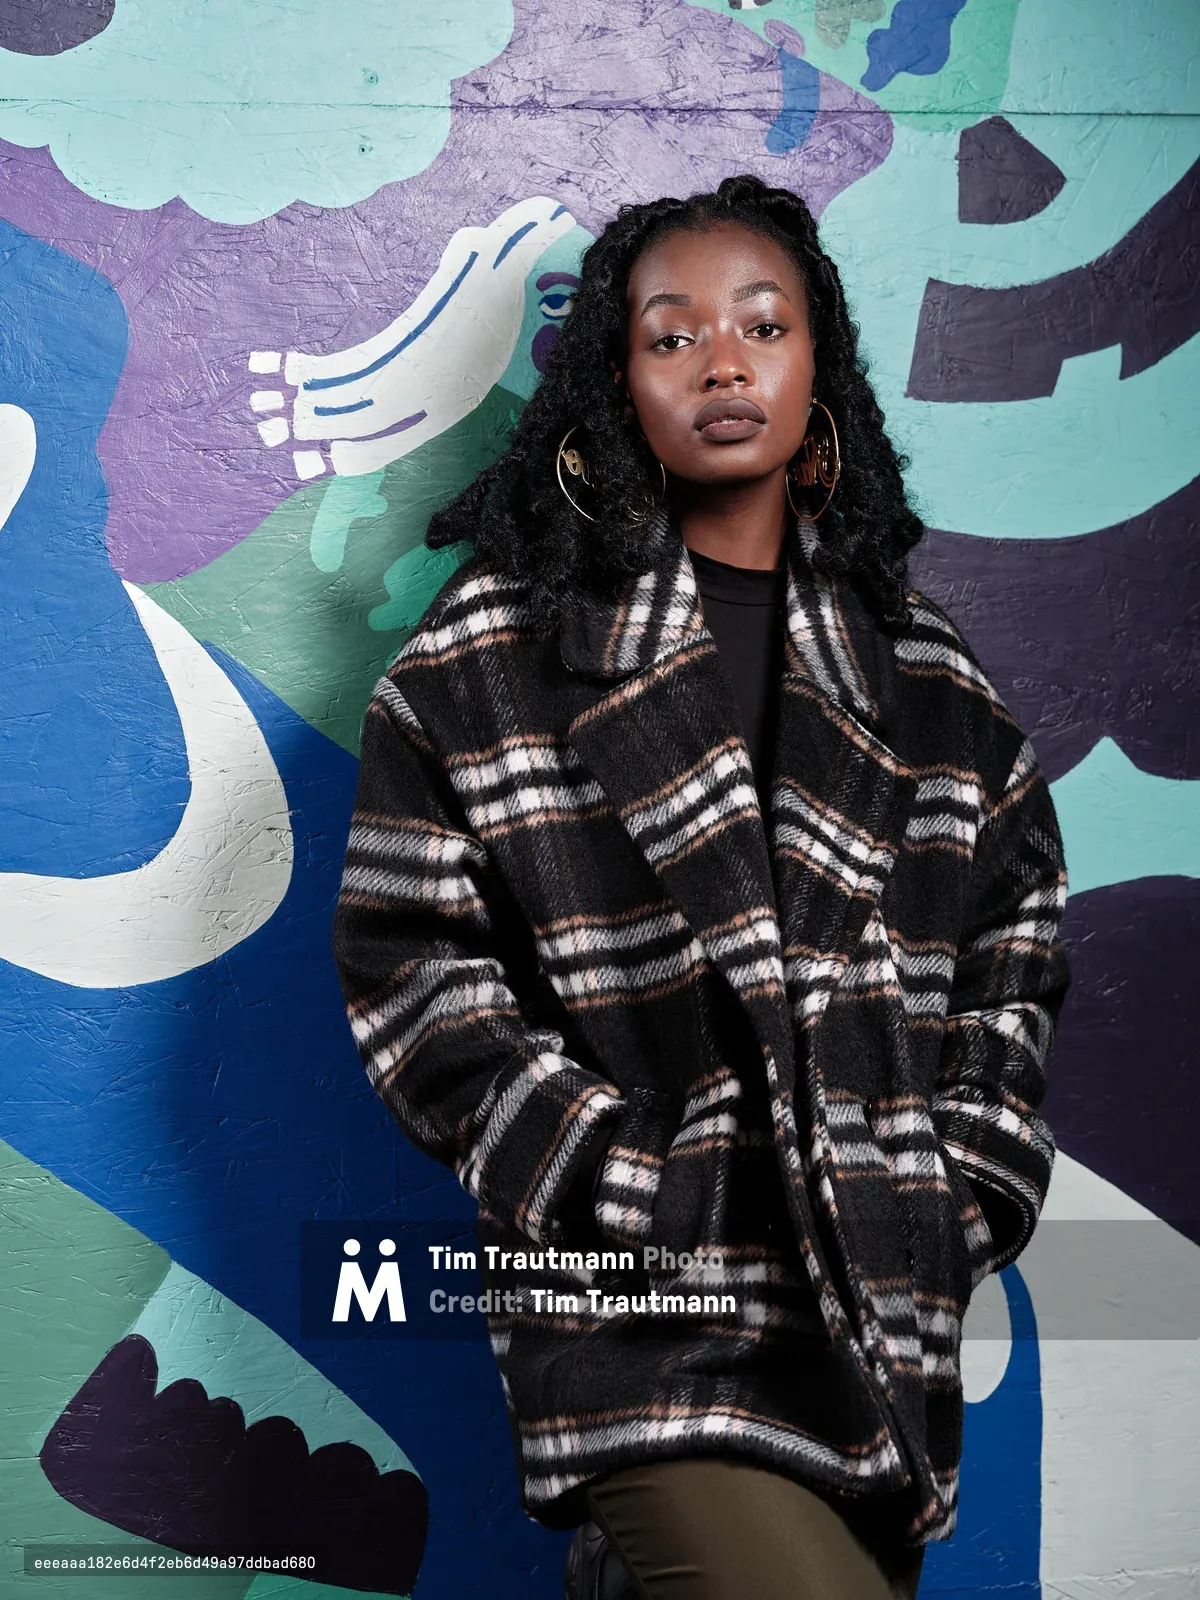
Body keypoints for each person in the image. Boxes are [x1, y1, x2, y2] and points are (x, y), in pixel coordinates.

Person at [331, 174, 1071, 1600]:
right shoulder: (491, 655)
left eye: (763, 325)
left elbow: (1014, 950)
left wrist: (958, 1187)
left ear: (820, 372)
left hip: (876, 1315)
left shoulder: (929, 681)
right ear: (614, 390)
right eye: (670, 337)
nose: (722, 362)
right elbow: (412, 977)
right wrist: (639, 1186)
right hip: (636, 1307)